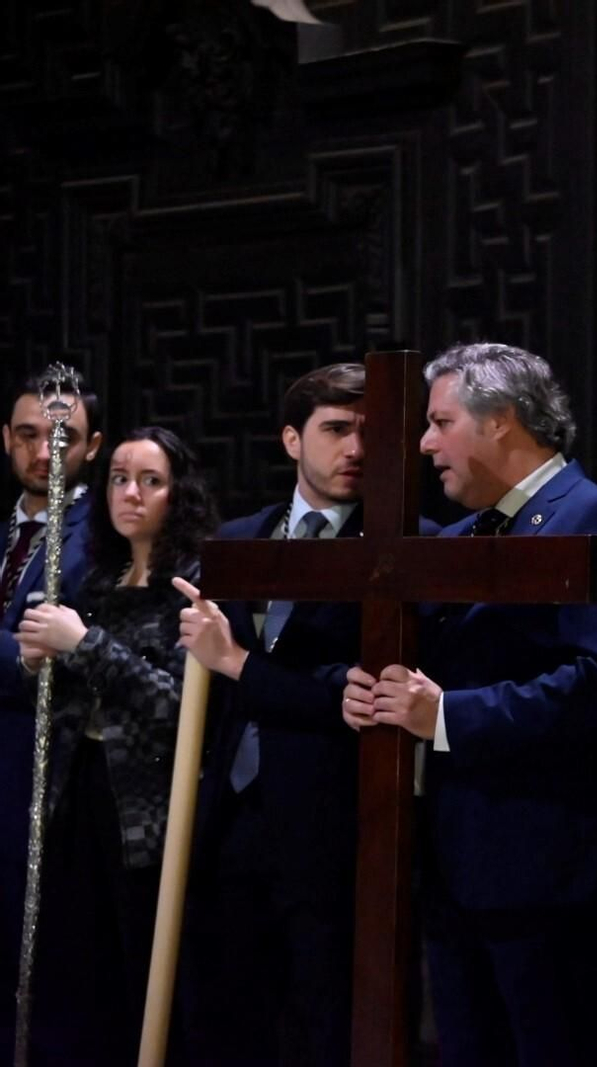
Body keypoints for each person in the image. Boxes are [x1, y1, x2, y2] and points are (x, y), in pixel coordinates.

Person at [341, 342, 597, 1067]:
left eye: (440, 421)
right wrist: (370, 692)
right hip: (449, 868)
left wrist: (446, 715)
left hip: (551, 871)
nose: (423, 444)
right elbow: (422, 670)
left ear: (501, 420)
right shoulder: (452, 541)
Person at [174, 363, 434, 1065]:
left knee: (327, 1025)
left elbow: (359, 694)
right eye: (337, 429)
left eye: (372, 434)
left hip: (338, 825)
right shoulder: (240, 538)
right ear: (292, 438)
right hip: (229, 816)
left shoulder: (405, 546)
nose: (355, 448)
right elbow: (225, 680)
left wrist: (242, 664)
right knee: (229, 1020)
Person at [13, 426, 217, 1063]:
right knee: (80, 972)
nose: (130, 494)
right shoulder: (97, 577)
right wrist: (39, 657)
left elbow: (176, 703)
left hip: (152, 804)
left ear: (176, 492)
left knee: (144, 975)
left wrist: (84, 645)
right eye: (119, 480)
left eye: (150, 481)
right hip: (79, 789)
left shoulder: (194, 579)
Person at [0, 367, 102, 1049]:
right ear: (6, 439)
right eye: (31, 435)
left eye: (63, 439)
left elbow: (71, 655)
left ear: (92, 448)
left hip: (49, 780)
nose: (45, 452)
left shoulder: (104, 533)